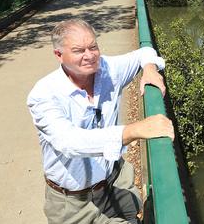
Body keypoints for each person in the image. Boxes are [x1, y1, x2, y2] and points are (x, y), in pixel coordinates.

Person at [27, 18, 174, 224]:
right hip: (73, 203)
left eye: (93, 47)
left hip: (113, 182)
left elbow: (145, 52)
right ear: (59, 55)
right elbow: (69, 142)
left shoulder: (107, 69)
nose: (90, 55)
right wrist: (133, 131)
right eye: (79, 50)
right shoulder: (44, 94)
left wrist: (150, 68)